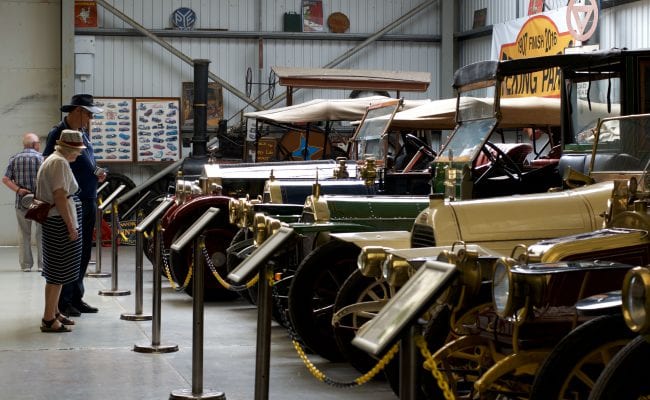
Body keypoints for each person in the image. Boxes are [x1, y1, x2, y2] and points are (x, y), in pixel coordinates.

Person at [43, 94, 105, 317]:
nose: (90, 119)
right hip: (71, 200)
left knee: (83, 252)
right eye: (88, 114)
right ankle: (63, 301)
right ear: (77, 111)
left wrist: (96, 172)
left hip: (87, 198)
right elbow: (50, 164)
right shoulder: (59, 133)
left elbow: (86, 161)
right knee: (69, 253)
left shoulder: (83, 134)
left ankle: (76, 297)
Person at [37, 129, 86, 332]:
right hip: (59, 221)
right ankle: (49, 318)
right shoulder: (59, 162)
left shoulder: (53, 160)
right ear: (70, 149)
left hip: (54, 219)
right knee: (58, 272)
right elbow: (59, 195)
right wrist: (70, 225)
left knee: (56, 270)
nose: (80, 154)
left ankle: (54, 311)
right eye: (78, 150)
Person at [2, 133, 44, 272]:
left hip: (22, 202)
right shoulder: (41, 158)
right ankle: (42, 265)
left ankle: (26, 265)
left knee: (24, 233)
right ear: (34, 144)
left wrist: (19, 190)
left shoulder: (14, 159)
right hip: (39, 201)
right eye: (38, 142)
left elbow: (6, 179)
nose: (39, 145)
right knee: (41, 233)